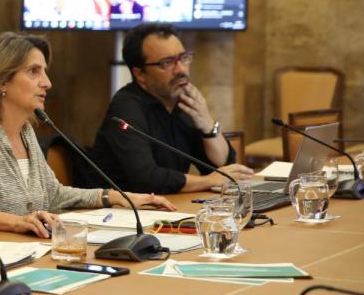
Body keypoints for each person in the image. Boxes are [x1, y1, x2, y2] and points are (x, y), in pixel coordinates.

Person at [0, 32, 174, 238]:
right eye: (33, 72)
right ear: (1, 81)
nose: (47, 83)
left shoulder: (25, 132)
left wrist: (117, 197)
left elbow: (54, 195)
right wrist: (16, 222)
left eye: (44, 72)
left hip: (34, 250)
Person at [90, 23, 254, 193]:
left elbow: (223, 167)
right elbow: (147, 179)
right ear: (140, 74)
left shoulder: (183, 102)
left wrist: (208, 124)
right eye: (167, 63)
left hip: (168, 206)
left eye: (183, 58)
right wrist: (208, 181)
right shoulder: (126, 108)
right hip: (120, 213)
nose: (181, 69)